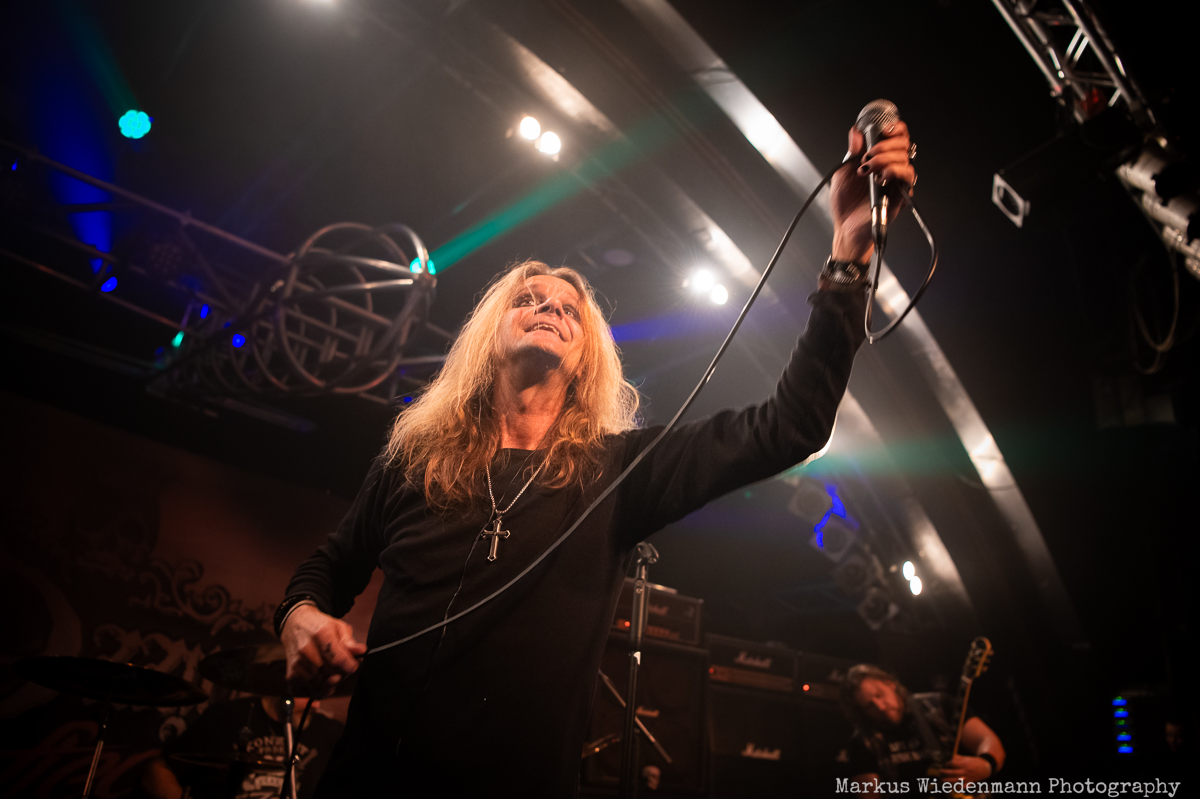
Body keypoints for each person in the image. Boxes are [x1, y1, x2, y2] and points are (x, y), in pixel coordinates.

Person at [275, 121, 918, 798]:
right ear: (489, 336)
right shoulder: (416, 459)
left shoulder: (621, 471)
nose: (549, 308)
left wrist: (850, 251)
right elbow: (330, 566)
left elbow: (790, 427)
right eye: (527, 299)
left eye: (570, 311)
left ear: (587, 360)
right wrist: (300, 616)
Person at [837, 664, 1005, 797]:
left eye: (879, 695)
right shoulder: (862, 741)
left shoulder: (939, 705)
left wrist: (985, 765)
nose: (880, 707)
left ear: (890, 684)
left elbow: (987, 739)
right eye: (869, 706)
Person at [141, 696, 343, 799]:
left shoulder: (332, 733)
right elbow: (156, 771)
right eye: (307, 693)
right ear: (282, 680)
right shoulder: (226, 716)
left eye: (318, 696)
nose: (316, 705)